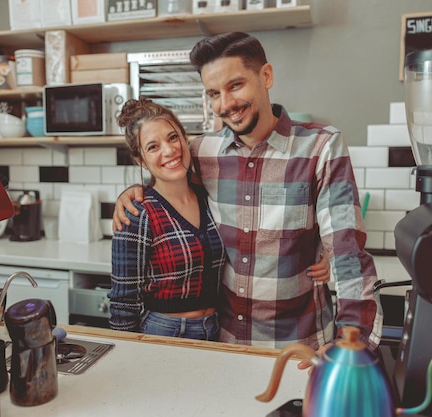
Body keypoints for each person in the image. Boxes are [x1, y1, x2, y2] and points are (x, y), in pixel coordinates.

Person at [114, 32, 381, 351]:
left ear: (266, 76)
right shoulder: (202, 152)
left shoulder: (320, 148)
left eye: (235, 85)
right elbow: (167, 177)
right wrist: (135, 191)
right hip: (224, 344)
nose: (226, 104)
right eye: (214, 93)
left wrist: (354, 342)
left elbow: (348, 254)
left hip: (298, 344)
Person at [107, 98, 226, 341]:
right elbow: (123, 303)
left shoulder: (210, 198)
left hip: (217, 330)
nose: (169, 151)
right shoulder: (137, 213)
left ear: (185, 138)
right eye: (153, 147)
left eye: (173, 137)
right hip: (165, 334)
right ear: (141, 160)